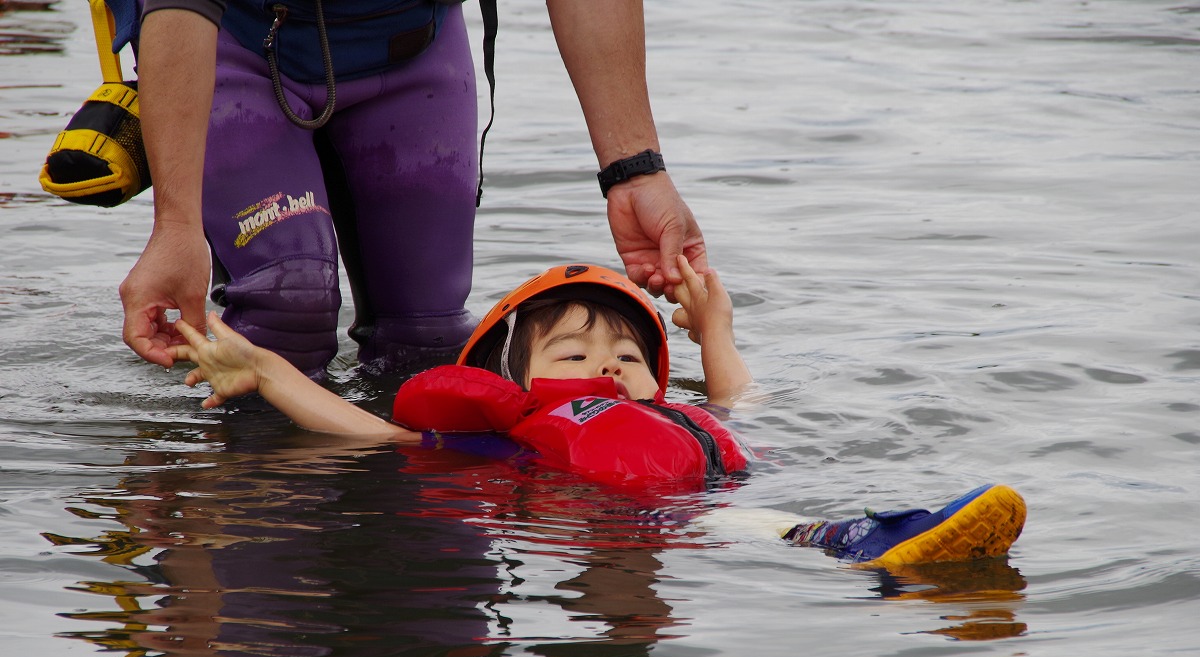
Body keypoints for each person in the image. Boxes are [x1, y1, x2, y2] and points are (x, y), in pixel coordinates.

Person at [169, 257, 1027, 566]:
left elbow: (738, 401)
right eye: (573, 358)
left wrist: (715, 328)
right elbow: (368, 431)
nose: (607, 370)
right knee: (746, 527)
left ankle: (885, 542)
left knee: (734, 510)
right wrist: (270, 371)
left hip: (686, 493)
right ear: (518, 378)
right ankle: (858, 543)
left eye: (625, 357)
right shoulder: (501, 440)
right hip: (621, 524)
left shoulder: (673, 413)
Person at [117, 0, 708, 377]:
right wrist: (175, 226)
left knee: (428, 342)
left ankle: (406, 530)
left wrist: (636, 172)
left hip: (412, 43)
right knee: (287, 306)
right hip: (226, 39)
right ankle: (264, 533)